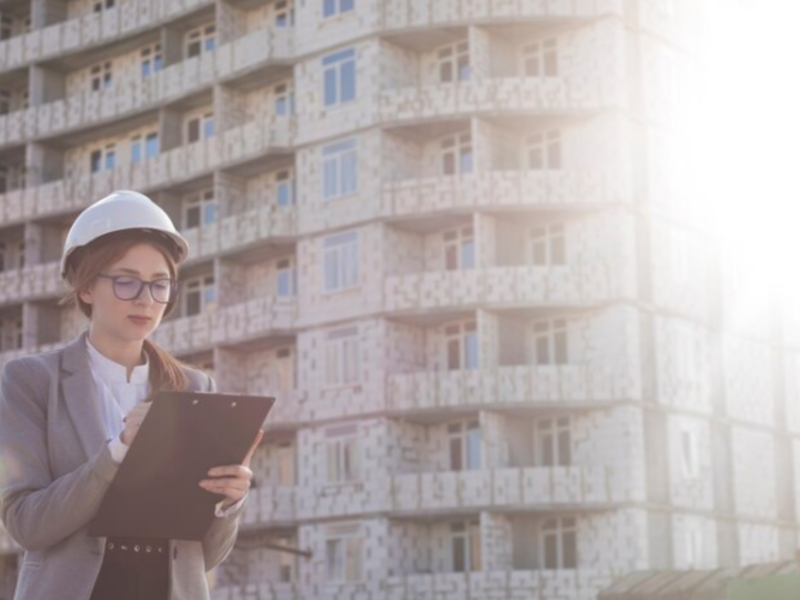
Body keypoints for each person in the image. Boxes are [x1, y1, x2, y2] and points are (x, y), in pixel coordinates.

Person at [0, 190, 263, 600]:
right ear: (85, 287)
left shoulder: (195, 389)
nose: (145, 299)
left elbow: (204, 557)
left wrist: (228, 503)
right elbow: (26, 523)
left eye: (160, 285)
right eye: (126, 281)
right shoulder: (31, 381)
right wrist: (119, 450)